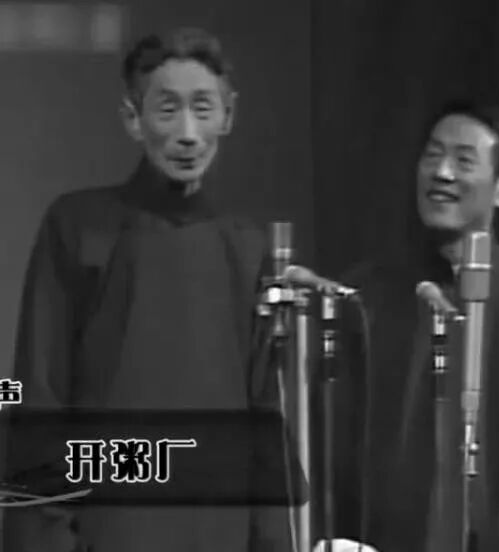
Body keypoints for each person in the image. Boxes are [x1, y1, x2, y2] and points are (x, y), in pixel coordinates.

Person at [4, 27, 292, 552]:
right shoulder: (79, 226)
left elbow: (264, 418)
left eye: (203, 108)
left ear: (229, 114)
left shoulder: (248, 248)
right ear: (132, 118)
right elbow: (39, 397)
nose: (187, 134)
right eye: (167, 109)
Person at [316, 101, 499, 552]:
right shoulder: (365, 297)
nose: (442, 173)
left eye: (463, 161)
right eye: (432, 155)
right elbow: (330, 451)